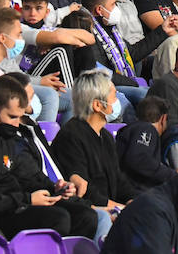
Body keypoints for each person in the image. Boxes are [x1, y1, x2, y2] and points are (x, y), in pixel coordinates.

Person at [0, 73, 98, 239]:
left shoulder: (8, 137)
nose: (17, 124)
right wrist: (27, 199)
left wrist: (55, 187)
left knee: (85, 216)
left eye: (19, 117)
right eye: (12, 117)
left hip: (17, 205)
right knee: (58, 219)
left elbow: (28, 175)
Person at [50, 70, 133, 241]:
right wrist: (118, 208)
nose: (117, 102)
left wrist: (133, 199)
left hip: (110, 208)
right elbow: (83, 188)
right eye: (113, 96)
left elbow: (118, 179)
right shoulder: (71, 136)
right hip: (92, 212)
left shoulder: (106, 137)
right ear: (97, 105)